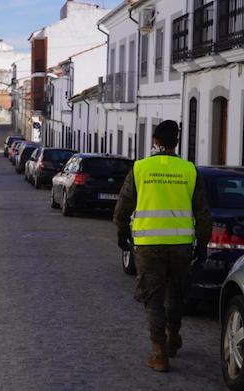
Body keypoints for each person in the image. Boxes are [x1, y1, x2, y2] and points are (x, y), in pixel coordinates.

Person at [113, 120, 212, 372]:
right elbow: (202, 211)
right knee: (175, 295)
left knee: (153, 299)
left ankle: (159, 353)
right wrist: (203, 243)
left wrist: (122, 232)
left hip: (149, 246)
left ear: (155, 141)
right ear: (176, 143)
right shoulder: (189, 170)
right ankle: (173, 339)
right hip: (181, 245)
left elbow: (123, 206)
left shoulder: (140, 168)